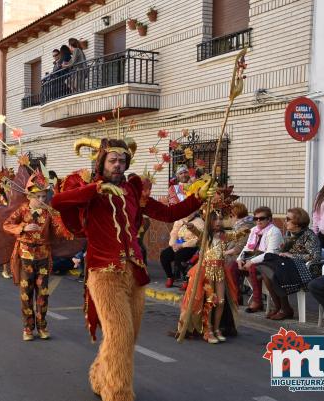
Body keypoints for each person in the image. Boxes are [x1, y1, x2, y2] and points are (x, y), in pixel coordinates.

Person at [51, 135, 212, 401]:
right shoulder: (90, 189)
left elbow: (168, 214)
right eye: (113, 160)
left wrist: (197, 199)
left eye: (122, 160)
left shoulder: (134, 190)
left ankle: (100, 375)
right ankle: (118, 393)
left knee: (127, 336)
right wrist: (97, 190)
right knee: (120, 335)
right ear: (102, 162)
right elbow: (58, 203)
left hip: (134, 273)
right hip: (104, 273)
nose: (118, 165)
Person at [3, 171, 73, 341]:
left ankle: (42, 326)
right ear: (29, 196)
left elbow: (58, 233)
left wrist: (61, 222)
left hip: (43, 256)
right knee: (26, 293)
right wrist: (22, 228)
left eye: (44, 196)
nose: (43, 200)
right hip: (26, 256)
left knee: (43, 293)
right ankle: (28, 328)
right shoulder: (22, 210)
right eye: (39, 197)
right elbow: (6, 225)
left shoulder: (48, 213)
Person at [176, 211, 249, 343]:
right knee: (210, 301)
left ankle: (216, 329)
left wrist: (246, 231)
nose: (218, 222)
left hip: (220, 271)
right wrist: (191, 227)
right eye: (215, 219)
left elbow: (236, 236)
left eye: (221, 219)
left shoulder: (223, 236)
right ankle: (207, 330)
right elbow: (197, 233)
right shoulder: (205, 236)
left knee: (221, 301)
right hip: (206, 271)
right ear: (210, 221)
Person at [257, 208, 321, 320]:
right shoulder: (289, 234)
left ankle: (285, 309)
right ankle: (279, 306)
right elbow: (284, 252)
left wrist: (292, 256)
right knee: (266, 273)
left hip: (305, 270)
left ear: (297, 222)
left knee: (275, 273)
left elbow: (316, 257)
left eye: (288, 219)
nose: (285, 221)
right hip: (289, 266)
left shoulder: (309, 236)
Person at [236, 206, 284, 313]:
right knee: (232, 266)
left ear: (269, 219)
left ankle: (257, 301)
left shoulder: (274, 231)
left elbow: (270, 253)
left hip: (270, 261)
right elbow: (247, 247)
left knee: (253, 267)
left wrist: (251, 261)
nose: (258, 221)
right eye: (256, 218)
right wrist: (240, 259)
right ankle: (236, 297)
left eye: (261, 218)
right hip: (253, 257)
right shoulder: (254, 230)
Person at [160, 212, 203, 288]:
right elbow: (174, 233)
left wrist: (182, 245)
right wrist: (173, 244)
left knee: (179, 256)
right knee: (164, 255)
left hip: (191, 246)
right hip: (179, 243)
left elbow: (198, 239)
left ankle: (185, 279)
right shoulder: (179, 220)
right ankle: (170, 276)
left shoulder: (199, 221)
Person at [223, 202, 255, 303]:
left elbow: (239, 248)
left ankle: (235, 295)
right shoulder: (240, 225)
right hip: (239, 255)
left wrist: (224, 253)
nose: (228, 219)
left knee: (225, 263)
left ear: (235, 215)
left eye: (230, 216)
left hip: (246, 256)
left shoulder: (246, 227)